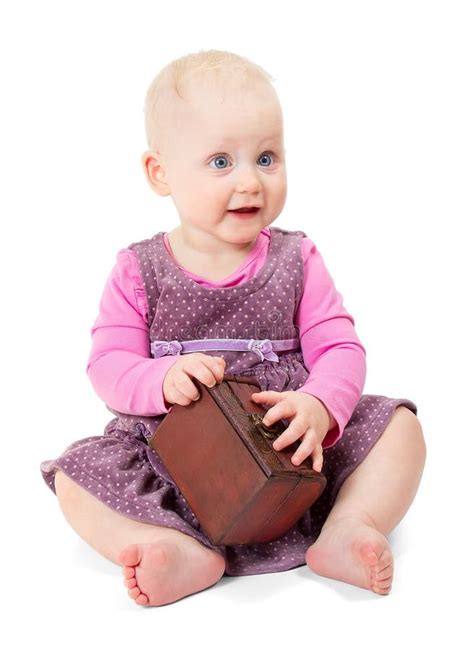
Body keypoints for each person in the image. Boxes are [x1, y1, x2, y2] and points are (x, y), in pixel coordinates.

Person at [40, 49, 426, 607]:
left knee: (401, 427)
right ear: (160, 172)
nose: (249, 181)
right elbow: (108, 366)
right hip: (177, 463)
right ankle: (173, 544)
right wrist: (161, 378)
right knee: (75, 478)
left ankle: (347, 524)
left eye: (266, 158)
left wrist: (320, 405)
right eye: (221, 162)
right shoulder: (138, 271)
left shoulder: (297, 259)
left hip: (296, 455)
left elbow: (340, 345)